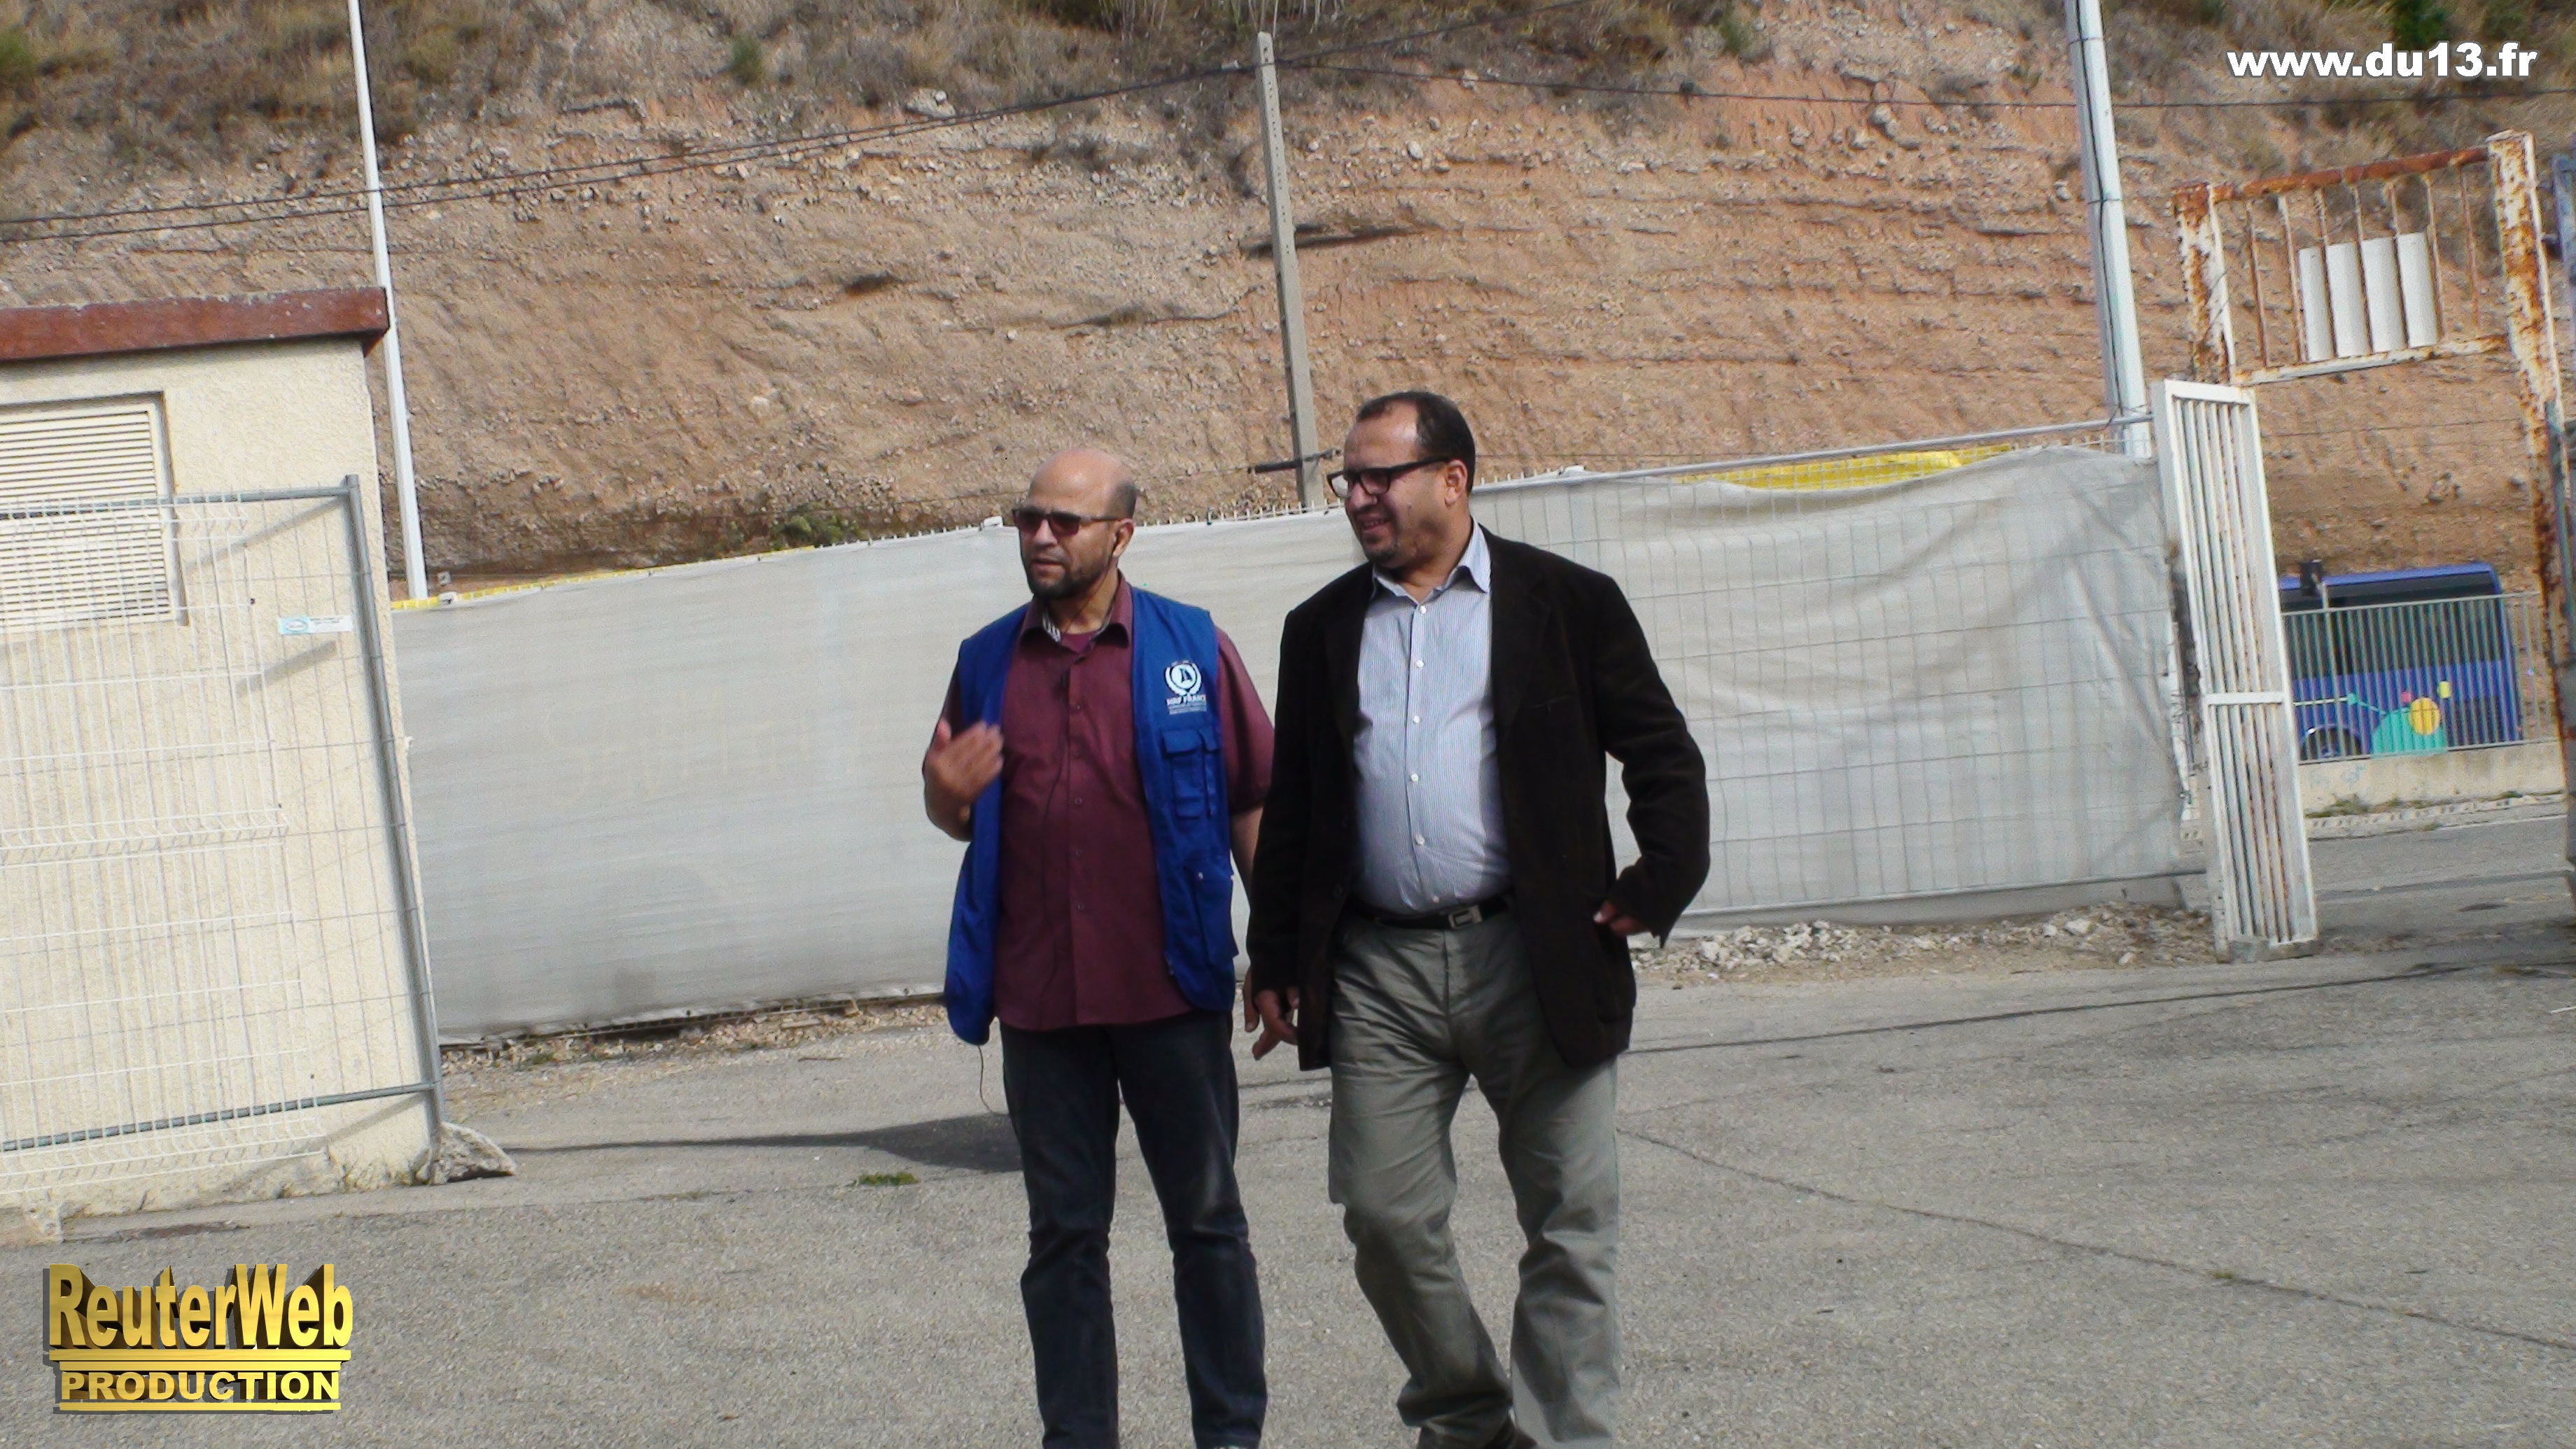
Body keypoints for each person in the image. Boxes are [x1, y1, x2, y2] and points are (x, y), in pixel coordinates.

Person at [1245, 392, 1709, 1449]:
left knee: (1571, 1220)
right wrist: (1274, 955)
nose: (1357, 497)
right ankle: (1464, 1414)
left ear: (1453, 480)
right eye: (1348, 480)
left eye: (1380, 477)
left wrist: (1659, 879)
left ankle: (1561, 1436)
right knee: (1382, 1215)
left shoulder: (1567, 602)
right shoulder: (1321, 627)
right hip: (1379, 967)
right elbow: (1298, 804)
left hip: (1535, 955)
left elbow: (1661, 753)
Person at [923, 448, 1270, 1449]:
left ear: (1121, 535)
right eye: (1027, 518)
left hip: (1172, 992)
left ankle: (1231, 1436)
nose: (1040, 536)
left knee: (1208, 1227)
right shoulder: (985, 661)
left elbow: (1252, 797)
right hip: (1043, 1005)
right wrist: (944, 795)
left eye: (1064, 522)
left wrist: (1281, 949)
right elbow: (952, 805)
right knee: (1064, 1241)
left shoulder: (1190, 646)